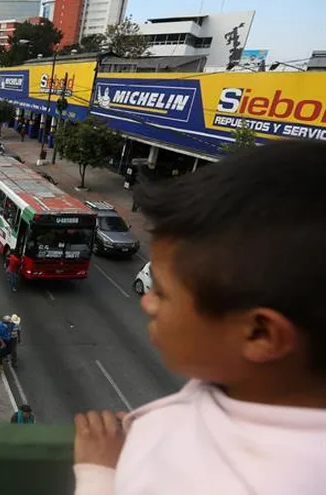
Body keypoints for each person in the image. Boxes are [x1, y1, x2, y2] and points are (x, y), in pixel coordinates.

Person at [72, 141, 326, 495]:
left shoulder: (224, 482)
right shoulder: (246, 386)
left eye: (161, 292)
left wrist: (98, 474)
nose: (147, 303)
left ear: (259, 334)